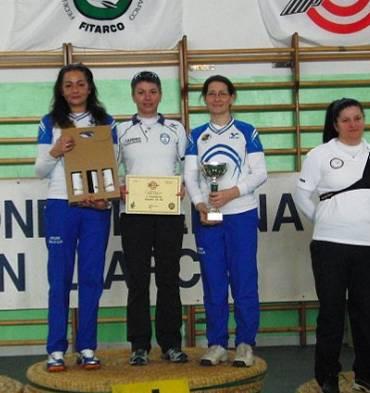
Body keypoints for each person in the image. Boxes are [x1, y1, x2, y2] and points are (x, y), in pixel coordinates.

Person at [35, 63, 117, 372]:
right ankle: (56, 349)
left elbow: (113, 165)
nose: (74, 90)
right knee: (59, 280)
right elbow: (40, 170)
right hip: (60, 205)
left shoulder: (106, 122)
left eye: (80, 84)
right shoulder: (49, 122)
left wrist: (104, 198)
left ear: (89, 87)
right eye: (68, 84)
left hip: (95, 208)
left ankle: (86, 346)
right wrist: (55, 150)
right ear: (61, 89)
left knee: (91, 279)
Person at [184, 75, 267, 367]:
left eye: (222, 93)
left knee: (244, 280)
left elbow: (260, 173)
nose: (217, 98)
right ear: (204, 99)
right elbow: (190, 176)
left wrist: (232, 192)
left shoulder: (246, 131)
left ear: (232, 97)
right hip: (209, 217)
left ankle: (245, 343)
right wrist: (199, 204)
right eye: (211, 93)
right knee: (213, 282)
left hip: (241, 214)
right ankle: (217, 343)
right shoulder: (196, 135)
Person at [295, 98, 370, 393]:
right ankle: (327, 376)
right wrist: (324, 219)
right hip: (330, 246)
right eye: (346, 120)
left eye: (358, 118)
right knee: (331, 312)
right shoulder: (320, 155)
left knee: (366, 313)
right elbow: (302, 196)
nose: (353, 125)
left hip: (367, 247)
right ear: (335, 124)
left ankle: (365, 376)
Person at [117, 71, 188, 365]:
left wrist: (183, 185)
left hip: (169, 213)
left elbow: (188, 165)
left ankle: (170, 343)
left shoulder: (176, 128)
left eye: (153, 91)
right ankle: (139, 345)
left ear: (161, 95)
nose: (147, 97)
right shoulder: (119, 130)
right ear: (133, 96)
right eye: (141, 92)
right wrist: (116, 188)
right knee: (137, 280)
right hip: (133, 214)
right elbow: (108, 167)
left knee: (169, 279)